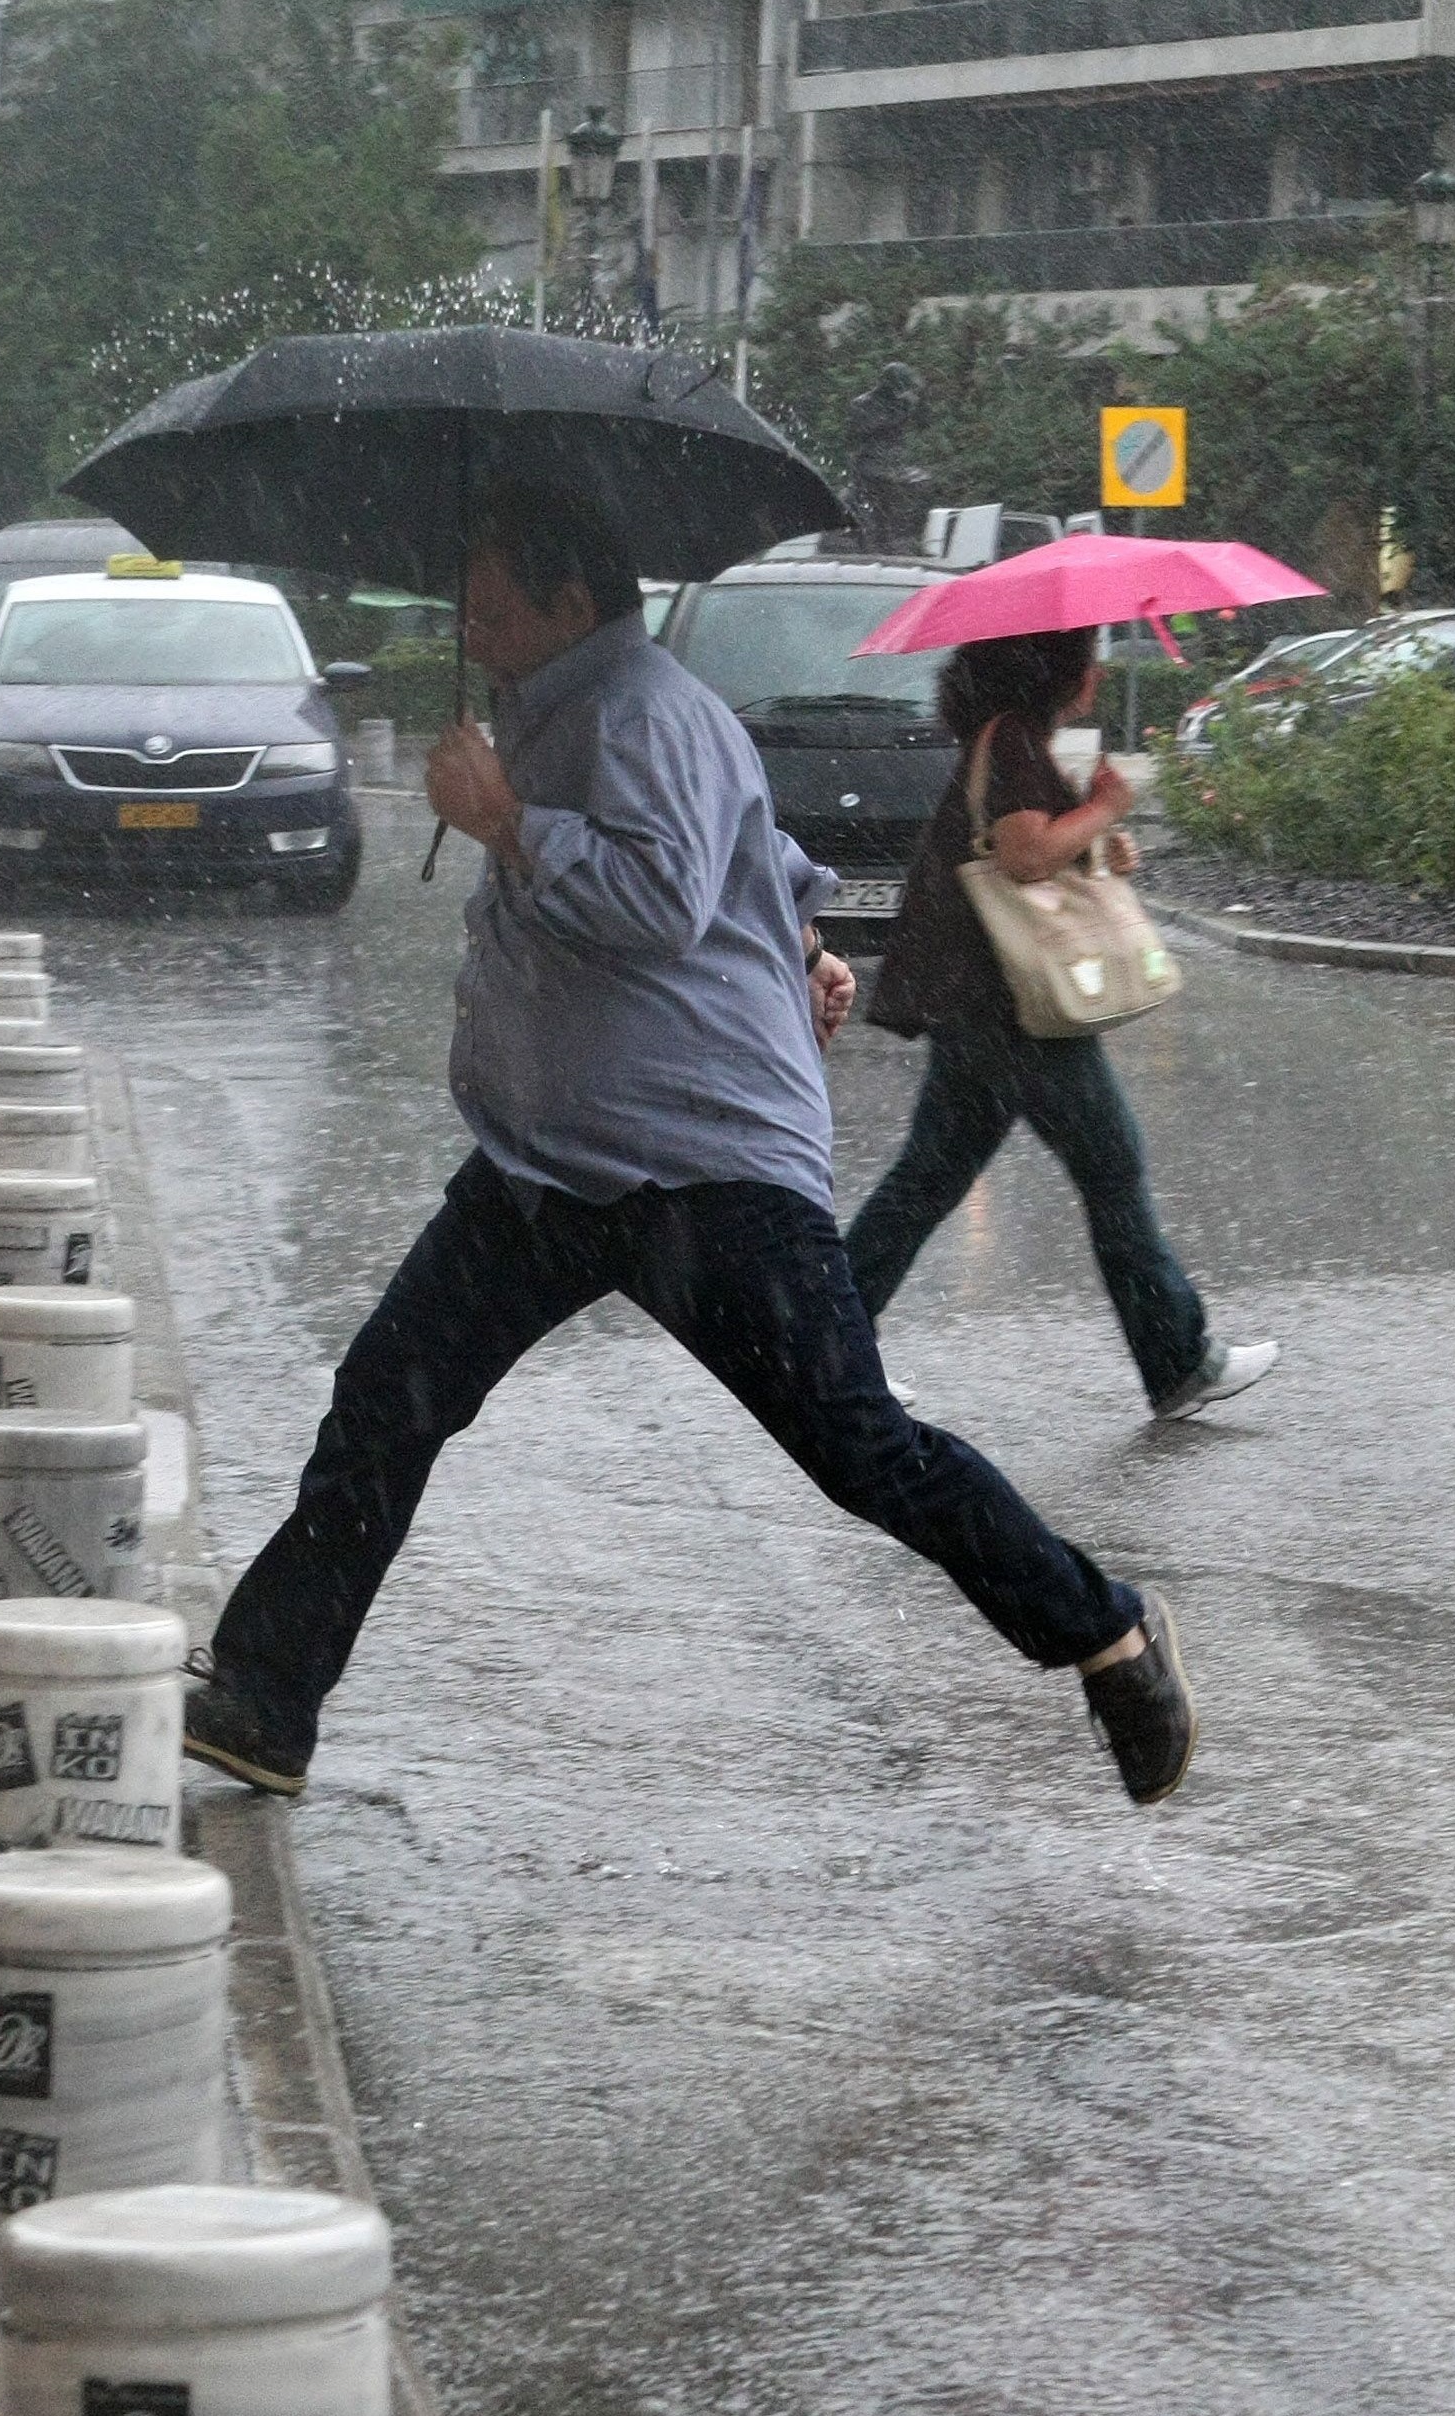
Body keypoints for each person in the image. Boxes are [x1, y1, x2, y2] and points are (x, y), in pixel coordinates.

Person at [180, 489, 1195, 1808]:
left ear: (567, 602)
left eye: (492, 589)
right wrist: (810, 949)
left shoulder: (645, 712)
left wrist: (507, 824)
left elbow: (659, 901)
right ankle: (267, 1696)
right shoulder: (563, 710)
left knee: (861, 1449)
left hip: (702, 1170)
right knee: (388, 1399)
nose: (469, 612)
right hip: (550, 1165)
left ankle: (1106, 1632)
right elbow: (756, 861)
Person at [844, 625, 1278, 1421]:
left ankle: (826, 1348)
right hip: (1013, 1008)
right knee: (1111, 1163)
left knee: (928, 1176)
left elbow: (1036, 848)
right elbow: (1023, 855)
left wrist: (1097, 838)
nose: (1100, 672)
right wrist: (1107, 808)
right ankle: (1178, 1360)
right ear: (1056, 670)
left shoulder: (1008, 740)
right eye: (1089, 656)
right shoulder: (1009, 741)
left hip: (978, 1003)